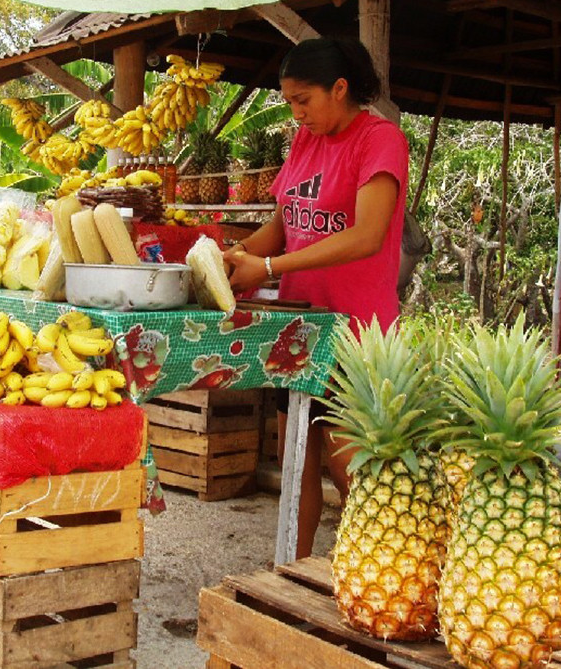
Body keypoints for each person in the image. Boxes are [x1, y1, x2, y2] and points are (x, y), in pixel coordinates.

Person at [223, 37, 409, 559]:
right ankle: (293, 571)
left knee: (352, 471)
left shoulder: (380, 140)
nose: (296, 111)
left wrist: (270, 269)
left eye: (303, 99)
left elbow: (367, 235)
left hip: (355, 333)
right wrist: (232, 256)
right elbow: (282, 228)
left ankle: (370, 577)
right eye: (288, 101)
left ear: (341, 88)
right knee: (296, 462)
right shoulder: (306, 140)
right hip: (300, 331)